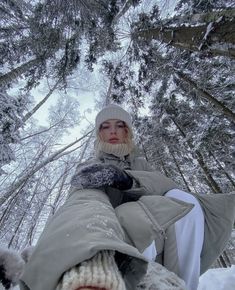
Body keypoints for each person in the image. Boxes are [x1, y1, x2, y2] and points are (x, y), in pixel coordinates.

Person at [19, 104, 235, 290]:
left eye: (120, 125)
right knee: (132, 212)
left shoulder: (141, 164)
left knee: (184, 200)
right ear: (99, 134)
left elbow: (167, 187)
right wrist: (78, 247)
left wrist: (127, 180)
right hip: (113, 239)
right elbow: (84, 203)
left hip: (161, 245)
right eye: (105, 126)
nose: (113, 130)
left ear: (128, 132)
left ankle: (182, 284)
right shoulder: (91, 167)